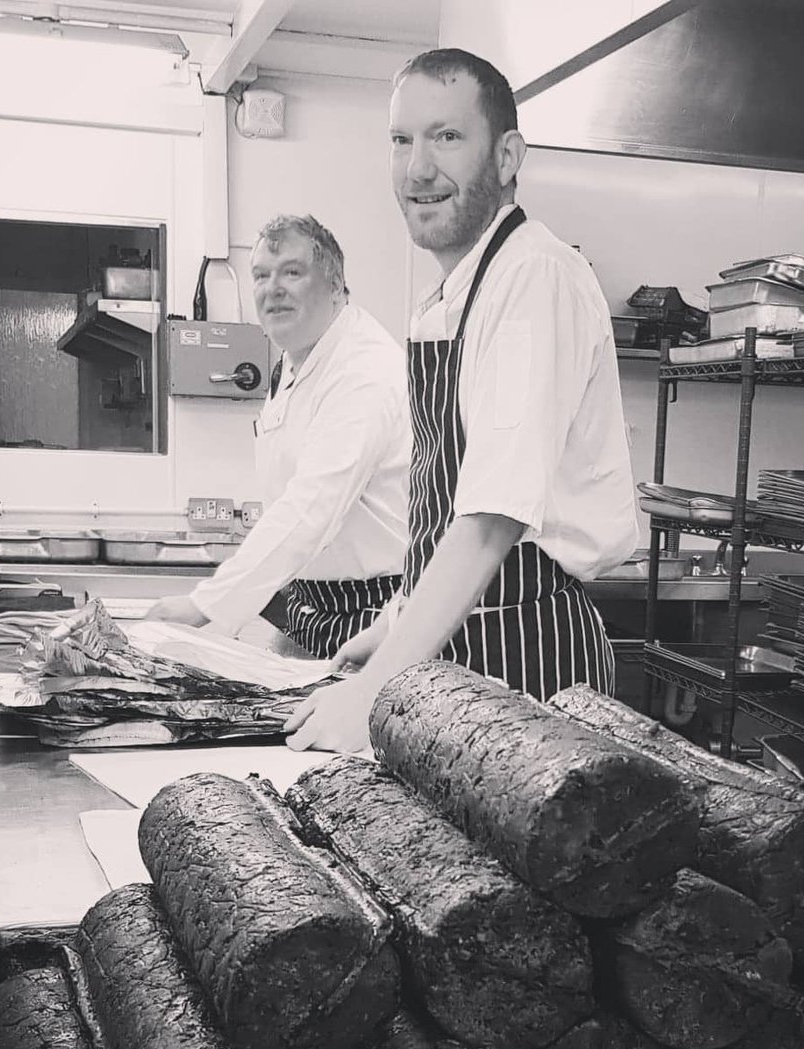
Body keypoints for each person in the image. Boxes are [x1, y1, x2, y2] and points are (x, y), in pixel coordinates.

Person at [284, 48, 638, 750]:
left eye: (446, 136)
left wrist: (374, 687)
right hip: (453, 651)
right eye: (401, 140)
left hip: (526, 657)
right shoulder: (454, 293)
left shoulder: (533, 277)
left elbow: (489, 521)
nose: (417, 168)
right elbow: (443, 502)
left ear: (506, 156)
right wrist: (396, 619)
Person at [147, 214, 410, 659]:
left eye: (292, 272)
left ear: (335, 284)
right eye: (261, 276)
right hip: (309, 606)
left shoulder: (364, 371)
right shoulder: (291, 362)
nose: (273, 289)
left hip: (372, 613)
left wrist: (204, 605)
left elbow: (312, 506)